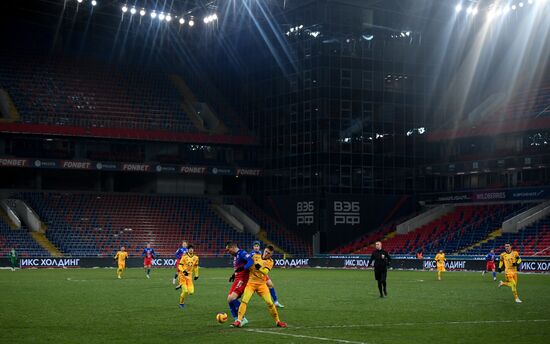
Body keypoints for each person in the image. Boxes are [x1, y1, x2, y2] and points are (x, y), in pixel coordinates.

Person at [232, 245, 287, 328]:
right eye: (266, 251)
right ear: (264, 250)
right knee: (244, 301)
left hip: (262, 285)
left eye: (269, 253)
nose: (266, 254)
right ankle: (239, 321)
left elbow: (265, 271)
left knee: (270, 303)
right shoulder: (254, 256)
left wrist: (259, 267)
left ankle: (278, 321)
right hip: (251, 283)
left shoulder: (270, 262)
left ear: (271, 254)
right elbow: (246, 261)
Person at [252, 241, 284, 308]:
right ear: (253, 247)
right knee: (250, 289)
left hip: (263, 273)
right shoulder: (251, 254)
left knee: (270, 285)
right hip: (254, 275)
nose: (256, 247)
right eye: (255, 246)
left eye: (257, 246)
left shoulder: (261, 253)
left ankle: (276, 302)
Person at [225, 242, 250, 326]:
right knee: (229, 299)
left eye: (228, 250)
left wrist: (243, 268)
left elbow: (251, 261)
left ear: (232, 247)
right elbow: (237, 268)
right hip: (237, 279)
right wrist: (233, 275)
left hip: (243, 279)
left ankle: (242, 318)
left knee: (232, 298)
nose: (228, 252)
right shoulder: (236, 256)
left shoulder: (242, 253)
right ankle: (236, 319)